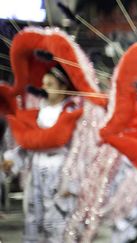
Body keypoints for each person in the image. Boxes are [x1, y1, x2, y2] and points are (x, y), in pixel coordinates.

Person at [3, 64, 80, 243]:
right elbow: (31, 142)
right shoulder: (39, 113)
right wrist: (13, 160)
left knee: (57, 225)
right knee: (33, 221)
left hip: (60, 173)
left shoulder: (71, 112)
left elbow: (80, 150)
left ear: (63, 88)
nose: (45, 88)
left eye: (50, 84)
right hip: (37, 171)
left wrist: (72, 180)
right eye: (44, 84)